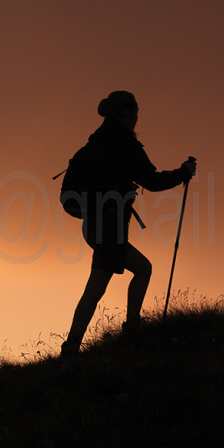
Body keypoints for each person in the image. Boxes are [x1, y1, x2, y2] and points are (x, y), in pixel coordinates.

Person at [61, 91, 195, 357]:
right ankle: (76, 344)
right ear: (124, 113)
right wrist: (183, 173)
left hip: (92, 224)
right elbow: (152, 181)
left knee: (138, 270)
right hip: (109, 227)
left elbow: (68, 192)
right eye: (134, 113)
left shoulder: (91, 146)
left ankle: (98, 337)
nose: (136, 118)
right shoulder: (125, 145)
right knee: (99, 284)